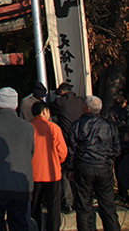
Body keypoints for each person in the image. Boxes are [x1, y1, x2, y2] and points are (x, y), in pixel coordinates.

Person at [0, 86, 35, 231]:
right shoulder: (28, 127)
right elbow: (31, 152)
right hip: (20, 186)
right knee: (21, 226)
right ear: (15, 106)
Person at [67, 95, 121, 231]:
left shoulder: (78, 125)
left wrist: (70, 169)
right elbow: (117, 149)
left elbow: (71, 150)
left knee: (84, 208)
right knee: (108, 207)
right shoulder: (109, 125)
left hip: (83, 167)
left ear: (87, 108)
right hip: (103, 167)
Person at [31, 101, 67, 231]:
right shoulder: (53, 128)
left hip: (33, 173)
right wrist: (57, 161)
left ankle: (35, 228)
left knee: (34, 207)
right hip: (52, 174)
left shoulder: (29, 128)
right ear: (45, 112)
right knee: (53, 208)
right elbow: (63, 151)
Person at [50, 81, 84, 211]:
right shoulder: (81, 101)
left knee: (65, 172)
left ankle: (68, 201)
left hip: (67, 142)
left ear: (62, 93)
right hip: (82, 142)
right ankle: (81, 200)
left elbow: (49, 108)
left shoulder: (61, 102)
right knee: (79, 172)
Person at [108, 89, 129, 203]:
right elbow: (112, 123)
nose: (117, 98)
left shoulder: (127, 109)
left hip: (127, 143)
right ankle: (122, 193)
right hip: (119, 143)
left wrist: (120, 124)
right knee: (119, 169)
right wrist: (122, 125)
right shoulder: (113, 110)